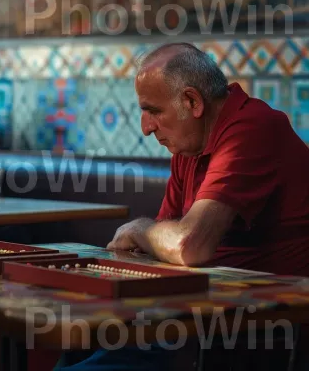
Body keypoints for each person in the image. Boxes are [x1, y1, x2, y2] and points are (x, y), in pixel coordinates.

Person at [57, 42, 309, 370]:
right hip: (198, 313)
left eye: (154, 111)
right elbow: (158, 251)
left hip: (261, 327)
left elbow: (188, 245)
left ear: (192, 101)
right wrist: (150, 241)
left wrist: (139, 228)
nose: (146, 128)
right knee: (76, 342)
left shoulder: (254, 127)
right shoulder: (188, 149)